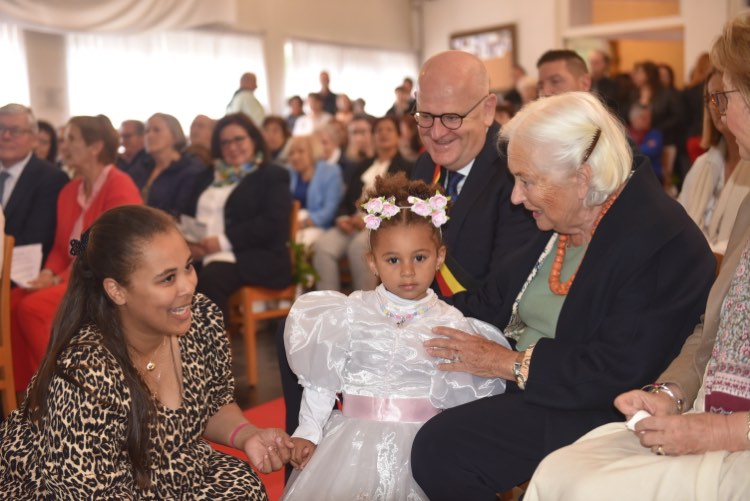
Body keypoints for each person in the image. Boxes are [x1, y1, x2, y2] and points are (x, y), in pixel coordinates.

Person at [409, 91, 716, 499]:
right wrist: (403, 311)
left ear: (582, 177)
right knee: (397, 402)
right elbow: (487, 302)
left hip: (593, 407)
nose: (516, 197)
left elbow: (617, 369)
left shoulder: (661, 241)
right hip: (534, 389)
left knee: (441, 447)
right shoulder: (565, 221)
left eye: (527, 181)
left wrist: (508, 363)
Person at [525, 20, 750, 497]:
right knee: (561, 470)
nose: (721, 119)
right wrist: (668, 395)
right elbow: (714, 331)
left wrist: (720, 432)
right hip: (713, 410)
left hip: (736, 437)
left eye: (722, 99)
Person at [0, 205, 293, 498]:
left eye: (188, 267)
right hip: (84, 490)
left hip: (164, 471)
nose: (188, 286)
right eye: (167, 278)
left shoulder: (200, 317)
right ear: (117, 290)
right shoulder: (84, 372)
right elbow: (89, 491)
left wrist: (247, 435)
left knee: (243, 487)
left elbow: (214, 402)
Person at [280, 174, 510, 500]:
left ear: (439, 257)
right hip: (349, 444)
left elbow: (464, 401)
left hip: (421, 448)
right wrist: (309, 431)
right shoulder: (348, 313)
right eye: (392, 260)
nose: (407, 271)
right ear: (372, 262)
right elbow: (322, 380)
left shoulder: (451, 324)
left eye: (419, 258)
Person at [11, 115, 143, 393]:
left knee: (32, 308)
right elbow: (66, 247)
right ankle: (26, 395)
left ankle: (62, 388)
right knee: (12, 303)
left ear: (95, 147)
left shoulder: (119, 185)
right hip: (75, 275)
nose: (63, 146)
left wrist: (59, 279)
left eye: (70, 139)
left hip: (105, 277)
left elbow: (105, 246)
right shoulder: (70, 190)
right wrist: (48, 272)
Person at [411, 50, 541, 297]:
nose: (436, 133)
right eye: (425, 116)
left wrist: (418, 318)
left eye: (451, 117)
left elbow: (502, 296)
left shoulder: (518, 176)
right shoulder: (425, 165)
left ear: (488, 110)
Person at [186, 113, 292, 321]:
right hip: (203, 253)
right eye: (225, 142)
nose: (232, 147)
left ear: (253, 139)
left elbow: (272, 223)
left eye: (238, 139)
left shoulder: (272, 175)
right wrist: (191, 244)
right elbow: (188, 213)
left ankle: (214, 351)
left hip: (254, 256)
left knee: (208, 278)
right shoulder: (208, 175)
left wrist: (222, 242)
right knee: (169, 276)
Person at [312, 115, 412, 293]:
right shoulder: (363, 165)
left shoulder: (406, 167)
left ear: (399, 135)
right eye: (378, 130)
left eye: (389, 130)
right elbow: (347, 199)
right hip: (353, 223)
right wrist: (343, 217)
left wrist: (369, 219)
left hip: (383, 226)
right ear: (372, 136)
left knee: (358, 247)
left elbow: (401, 204)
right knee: (323, 246)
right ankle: (330, 307)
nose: (383, 134)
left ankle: (363, 308)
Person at [679, 69, 750, 253]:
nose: (716, 106)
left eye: (722, 95)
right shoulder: (703, 164)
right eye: (711, 98)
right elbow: (679, 220)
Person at [0, 104, 68, 262]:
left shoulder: (51, 179)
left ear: (34, 139)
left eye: (15, 131)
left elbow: (36, 241)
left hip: (22, 275)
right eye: (1, 128)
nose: (6, 136)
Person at [127, 113, 206, 216]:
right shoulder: (143, 164)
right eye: (147, 131)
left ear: (174, 135)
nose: (149, 136)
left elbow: (180, 213)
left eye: (157, 130)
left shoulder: (190, 170)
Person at [286, 134, 343, 249]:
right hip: (290, 221)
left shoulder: (331, 171)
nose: (295, 157)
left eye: (301, 151)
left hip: (317, 225)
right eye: (291, 153)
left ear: (312, 152)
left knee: (297, 245)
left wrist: (303, 223)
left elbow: (329, 210)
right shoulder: (289, 173)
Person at [628, 102, 664, 183]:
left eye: (649, 117)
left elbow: (649, 152)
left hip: (653, 177)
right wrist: (645, 146)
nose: (648, 120)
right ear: (633, 118)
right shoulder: (626, 134)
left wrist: (632, 150)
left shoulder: (655, 134)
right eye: (644, 118)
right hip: (631, 177)